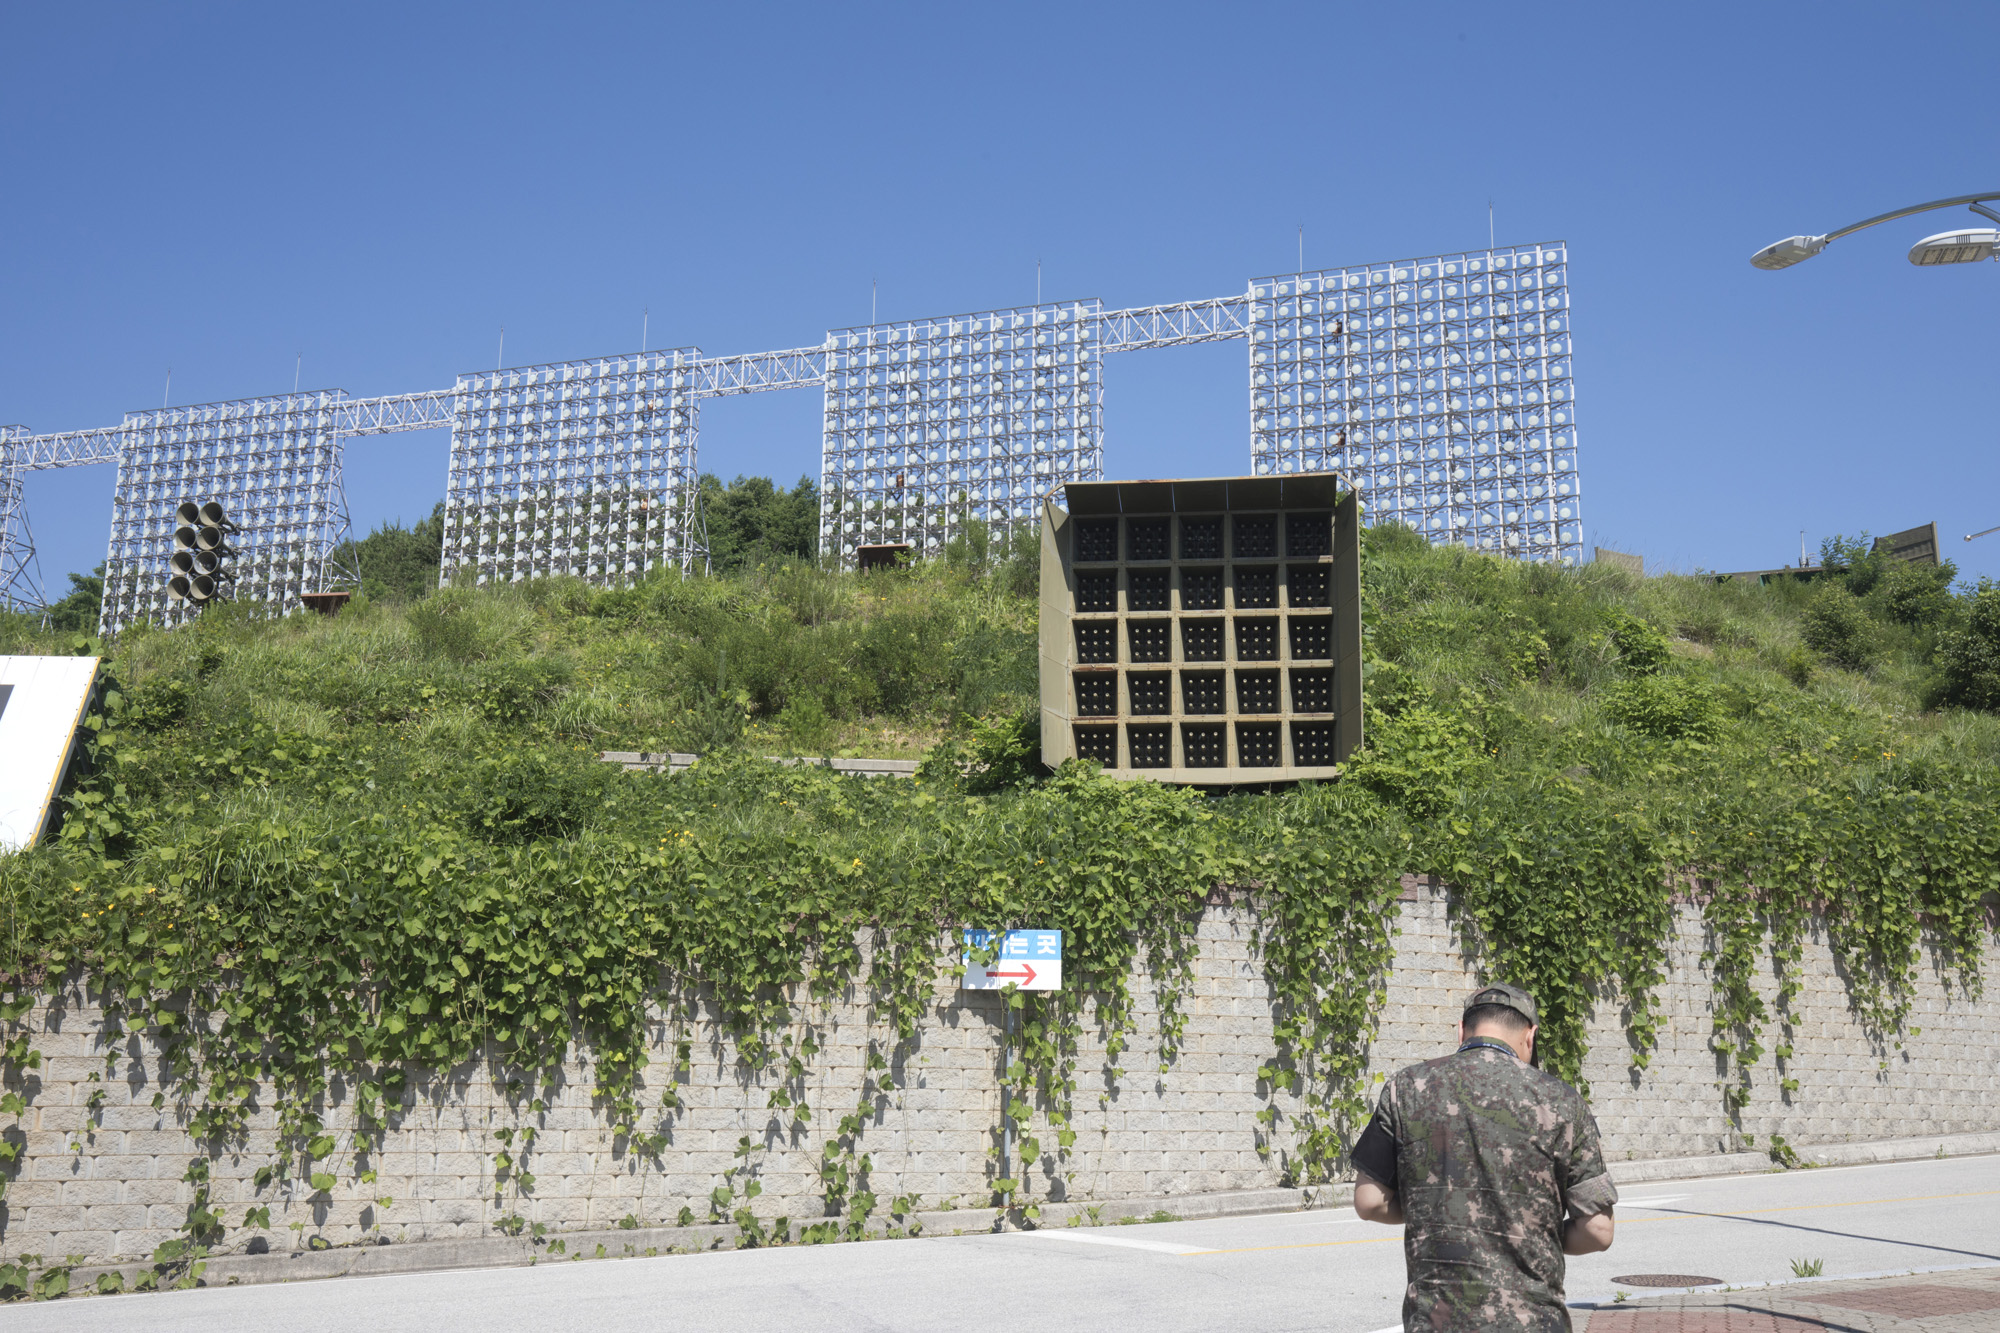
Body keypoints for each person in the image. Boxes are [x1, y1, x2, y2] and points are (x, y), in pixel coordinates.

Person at [1349, 983, 1617, 1331]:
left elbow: (1369, 1201)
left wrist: (1442, 1217)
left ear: (1461, 1030)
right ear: (1530, 1036)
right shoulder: (1563, 1102)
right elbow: (1598, 1231)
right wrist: (1524, 1231)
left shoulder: (1405, 1089)